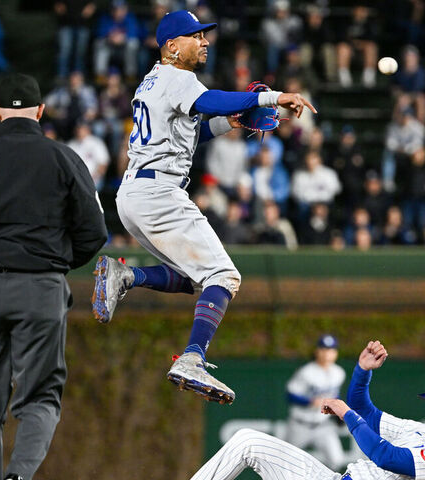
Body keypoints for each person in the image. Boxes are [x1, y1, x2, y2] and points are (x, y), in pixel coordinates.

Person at [91, 10, 316, 405]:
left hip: (137, 194)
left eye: (204, 35)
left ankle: (125, 276)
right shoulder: (178, 78)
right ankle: (192, 358)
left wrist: (232, 122)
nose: (205, 41)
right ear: (171, 46)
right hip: (159, 194)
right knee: (225, 277)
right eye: (195, 36)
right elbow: (209, 100)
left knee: (200, 280)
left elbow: (192, 133)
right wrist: (271, 97)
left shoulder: (153, 82)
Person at [0, 73, 107, 480]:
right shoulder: (64, 159)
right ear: (41, 111)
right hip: (40, 286)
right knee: (39, 399)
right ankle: (18, 476)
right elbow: (94, 231)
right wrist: (55, 264)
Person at [190, 340, 425, 480]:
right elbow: (364, 410)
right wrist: (362, 372)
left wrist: (346, 414)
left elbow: (387, 457)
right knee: (247, 442)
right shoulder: (421, 431)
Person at [285, 334, 347, 470]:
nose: (327, 353)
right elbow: (290, 396)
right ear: (317, 351)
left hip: (323, 426)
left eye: (331, 350)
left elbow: (334, 396)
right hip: (300, 425)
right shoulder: (306, 372)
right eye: (323, 349)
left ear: (335, 353)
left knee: (337, 460)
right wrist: (309, 401)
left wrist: (338, 415)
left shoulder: (339, 373)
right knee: (285, 462)